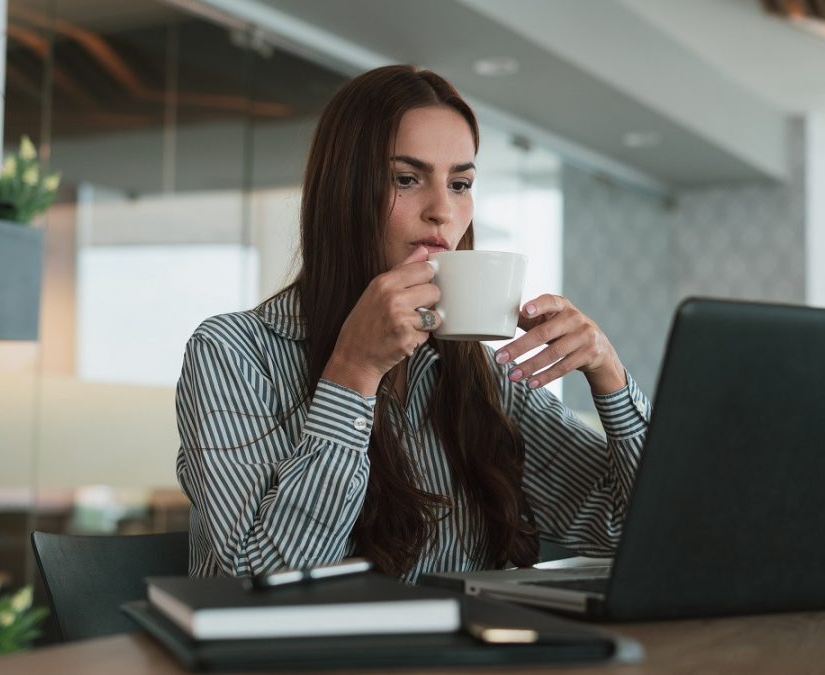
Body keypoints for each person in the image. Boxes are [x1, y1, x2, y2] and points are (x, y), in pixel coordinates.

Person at [175, 65, 651, 583]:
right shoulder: (233, 352)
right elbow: (261, 579)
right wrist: (352, 372)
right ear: (344, 192)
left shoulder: (484, 376)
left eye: (461, 183)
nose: (443, 211)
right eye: (407, 178)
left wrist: (610, 377)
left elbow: (632, 529)